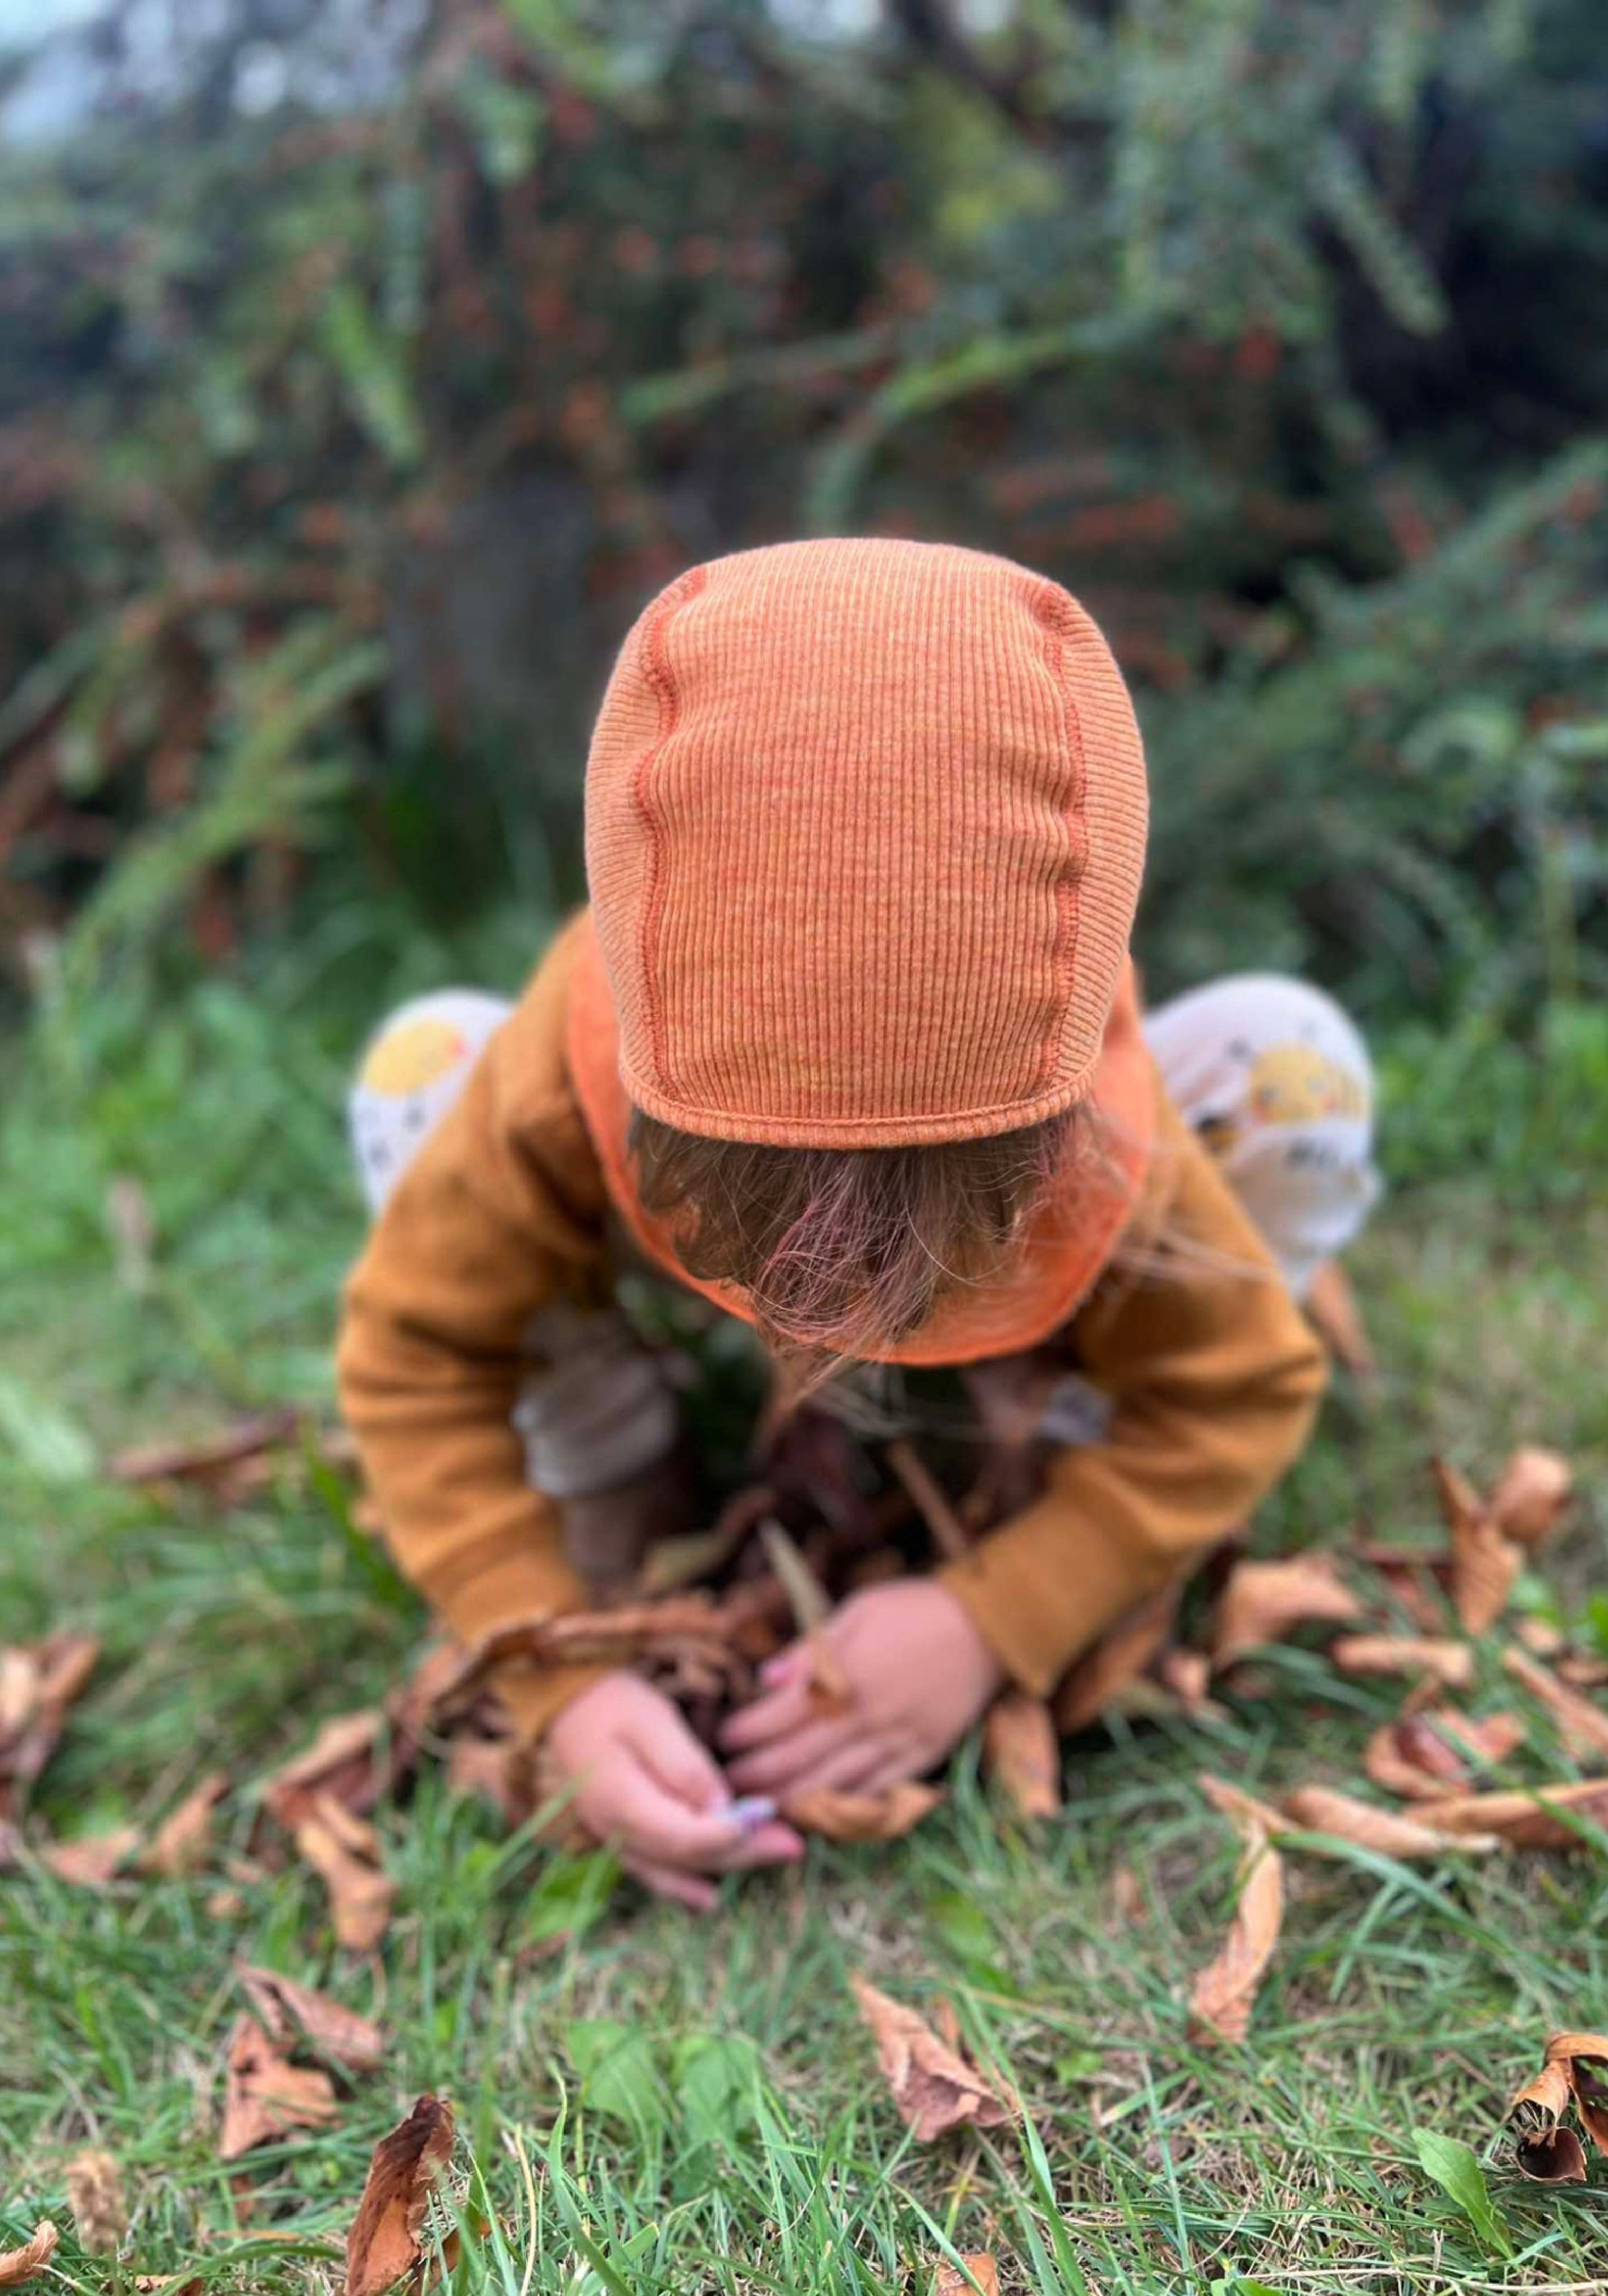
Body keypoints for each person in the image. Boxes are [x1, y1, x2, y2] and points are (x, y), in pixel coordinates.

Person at [338, 539, 1378, 1908]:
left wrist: (997, 1612)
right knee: (424, 1075)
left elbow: (1241, 1387)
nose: (844, 1326)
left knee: (1288, 1067)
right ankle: (611, 1444)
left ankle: (1060, 1425)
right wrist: (557, 1670)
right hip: (628, 1237)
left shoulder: (1100, 1126)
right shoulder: (561, 1067)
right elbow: (416, 1354)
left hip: (1056, 1296)